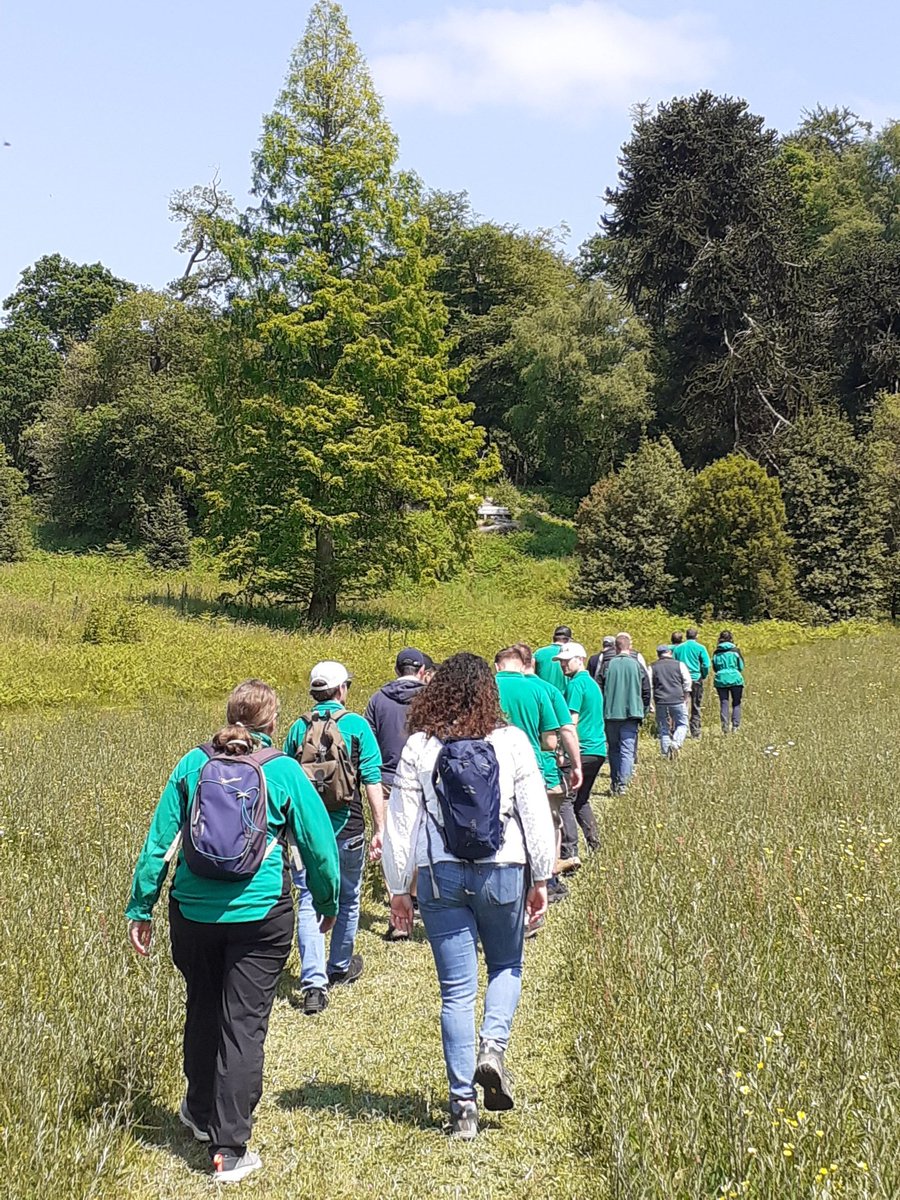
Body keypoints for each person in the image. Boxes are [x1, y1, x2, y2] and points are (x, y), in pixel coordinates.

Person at [126, 680, 340, 1184]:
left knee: (202, 1005)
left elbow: (160, 842)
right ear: (271, 725)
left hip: (192, 913)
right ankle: (229, 1149)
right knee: (243, 1024)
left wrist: (141, 907)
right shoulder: (283, 770)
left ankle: (198, 1112)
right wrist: (328, 903)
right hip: (260, 916)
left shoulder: (192, 765)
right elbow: (320, 847)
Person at [383, 653, 555, 1140]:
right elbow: (535, 814)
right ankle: (492, 1050)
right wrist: (541, 876)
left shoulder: (420, 745)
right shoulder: (511, 742)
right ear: (488, 692)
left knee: (456, 991)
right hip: (503, 868)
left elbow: (401, 823)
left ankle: (462, 1108)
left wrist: (400, 888)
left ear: (436, 691)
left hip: (439, 875)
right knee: (506, 966)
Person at [283, 661, 384, 1013]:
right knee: (349, 895)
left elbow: (286, 779)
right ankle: (339, 966)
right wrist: (380, 827)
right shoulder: (356, 726)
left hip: (308, 834)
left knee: (309, 899)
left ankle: (313, 984)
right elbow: (372, 779)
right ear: (342, 690)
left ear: (314, 693)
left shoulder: (298, 728)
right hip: (349, 829)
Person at [493, 645, 579, 901]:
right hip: (531, 768)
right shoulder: (539, 689)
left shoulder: (485, 687)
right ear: (523, 665)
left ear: (497, 666)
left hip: (491, 768)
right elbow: (551, 741)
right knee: (535, 826)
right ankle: (544, 880)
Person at [364, 647, 433, 941]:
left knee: (392, 841)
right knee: (421, 837)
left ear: (396, 670)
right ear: (421, 672)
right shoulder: (431, 698)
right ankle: (415, 897)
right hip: (423, 777)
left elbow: (367, 741)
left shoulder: (377, 699)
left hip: (387, 778)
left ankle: (397, 906)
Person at [514, 643, 583, 876]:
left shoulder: (494, 687)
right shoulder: (547, 690)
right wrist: (575, 765)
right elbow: (561, 734)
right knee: (549, 823)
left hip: (502, 770)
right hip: (543, 768)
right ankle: (549, 873)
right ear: (533, 663)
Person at [555, 642, 606, 853]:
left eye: (567, 661)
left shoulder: (575, 685)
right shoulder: (592, 684)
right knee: (581, 800)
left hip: (581, 749)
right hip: (598, 750)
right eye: (561, 662)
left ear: (580, 659)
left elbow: (571, 722)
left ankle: (569, 851)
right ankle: (595, 844)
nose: (563, 665)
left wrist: (560, 750)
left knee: (566, 799)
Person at [603, 633, 651, 795]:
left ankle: (616, 782)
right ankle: (623, 785)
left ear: (615, 648)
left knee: (614, 749)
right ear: (629, 647)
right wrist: (643, 710)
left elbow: (599, 688)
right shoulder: (637, 665)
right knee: (627, 750)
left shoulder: (607, 665)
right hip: (632, 714)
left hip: (610, 714)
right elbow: (646, 690)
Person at [650, 645, 692, 758]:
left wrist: (650, 703)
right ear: (669, 652)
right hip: (677, 698)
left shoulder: (653, 667)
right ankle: (676, 743)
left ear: (658, 654)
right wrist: (686, 696)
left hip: (660, 700)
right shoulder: (679, 664)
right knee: (682, 724)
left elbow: (649, 686)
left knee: (663, 727)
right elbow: (687, 682)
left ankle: (665, 753)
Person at [672, 626, 711, 738]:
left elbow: (673, 663)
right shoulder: (700, 648)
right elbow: (706, 664)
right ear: (696, 636)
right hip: (695, 678)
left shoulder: (678, 648)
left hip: (681, 680)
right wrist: (703, 675)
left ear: (686, 635)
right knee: (696, 705)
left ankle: (679, 729)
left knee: (681, 705)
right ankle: (695, 731)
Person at [712, 632, 745, 733]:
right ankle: (735, 726)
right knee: (736, 703)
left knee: (724, 703)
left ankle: (724, 726)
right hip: (735, 679)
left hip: (721, 679)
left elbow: (715, 667)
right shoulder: (735, 651)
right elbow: (741, 666)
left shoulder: (717, 652)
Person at [533, 625, 572, 693]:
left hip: (542, 694)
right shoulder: (571, 654)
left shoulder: (539, 653)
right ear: (568, 640)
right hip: (562, 697)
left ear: (554, 638)